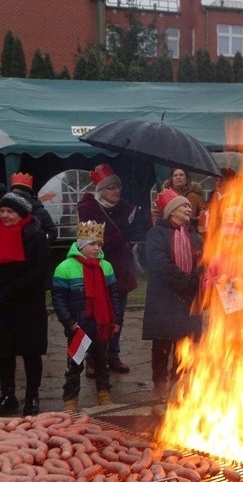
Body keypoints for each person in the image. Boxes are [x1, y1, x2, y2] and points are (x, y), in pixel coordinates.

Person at [78, 163, 145, 375]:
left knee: (118, 315)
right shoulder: (88, 209)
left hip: (121, 272)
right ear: (100, 190)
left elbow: (138, 232)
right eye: (111, 187)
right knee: (94, 316)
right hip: (97, 270)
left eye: (118, 187)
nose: (116, 191)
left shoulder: (125, 208)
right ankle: (92, 358)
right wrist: (123, 233)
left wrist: (142, 217)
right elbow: (92, 243)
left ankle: (112, 355)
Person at [52, 220, 123, 411]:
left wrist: (116, 319)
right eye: (92, 244)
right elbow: (58, 300)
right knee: (75, 363)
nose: (96, 248)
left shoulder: (105, 266)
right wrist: (70, 323)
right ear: (81, 245)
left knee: (102, 360)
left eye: (99, 244)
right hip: (78, 326)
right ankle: (71, 398)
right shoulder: (65, 268)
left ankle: (104, 393)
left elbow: (114, 295)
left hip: (101, 324)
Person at [142, 188, 203, 402]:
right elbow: (159, 263)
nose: (189, 208)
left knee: (184, 344)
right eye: (184, 205)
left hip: (188, 300)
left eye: (189, 205)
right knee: (162, 344)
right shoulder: (156, 234)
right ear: (171, 211)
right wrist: (184, 282)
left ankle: (179, 385)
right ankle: (159, 385)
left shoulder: (194, 237)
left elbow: (202, 263)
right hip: (164, 299)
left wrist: (192, 281)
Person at [0, 192, 51, 416]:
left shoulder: (36, 236)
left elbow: (39, 272)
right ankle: (8, 394)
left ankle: (32, 395)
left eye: (9, 211)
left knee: (31, 352)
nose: (4, 215)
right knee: (4, 352)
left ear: (21, 213)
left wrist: (10, 291)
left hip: (28, 304)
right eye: (1, 211)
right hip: (3, 305)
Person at [9, 172, 57, 243]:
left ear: (27, 194)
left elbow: (52, 233)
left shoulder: (41, 212)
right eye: (14, 193)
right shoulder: (6, 211)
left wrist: (39, 240)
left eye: (19, 193)